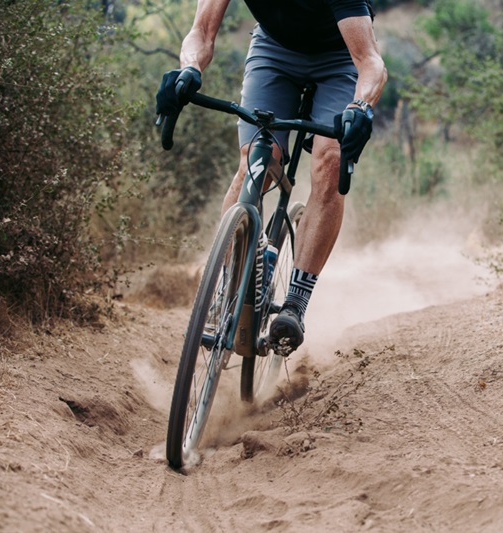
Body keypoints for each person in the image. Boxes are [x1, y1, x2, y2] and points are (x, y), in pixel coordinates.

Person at [156, 0, 387, 354]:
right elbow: (201, 33)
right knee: (257, 161)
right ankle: (227, 284)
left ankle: (296, 302)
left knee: (330, 162)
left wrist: (360, 107)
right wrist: (188, 70)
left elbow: (370, 64)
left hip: (340, 59)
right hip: (274, 51)